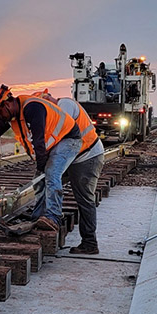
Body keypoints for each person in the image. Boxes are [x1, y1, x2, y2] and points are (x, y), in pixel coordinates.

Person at [0, 85, 82, 233]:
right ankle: (38, 216)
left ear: (6, 104)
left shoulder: (32, 108)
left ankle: (54, 217)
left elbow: (39, 141)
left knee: (51, 174)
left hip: (69, 139)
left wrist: (41, 167)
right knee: (39, 181)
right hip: (55, 142)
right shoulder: (13, 113)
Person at [33, 89, 103, 255]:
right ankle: (42, 218)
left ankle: (89, 243)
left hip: (87, 157)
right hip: (73, 158)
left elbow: (60, 135)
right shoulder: (56, 110)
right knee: (46, 179)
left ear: (47, 100)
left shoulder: (65, 105)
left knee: (84, 199)